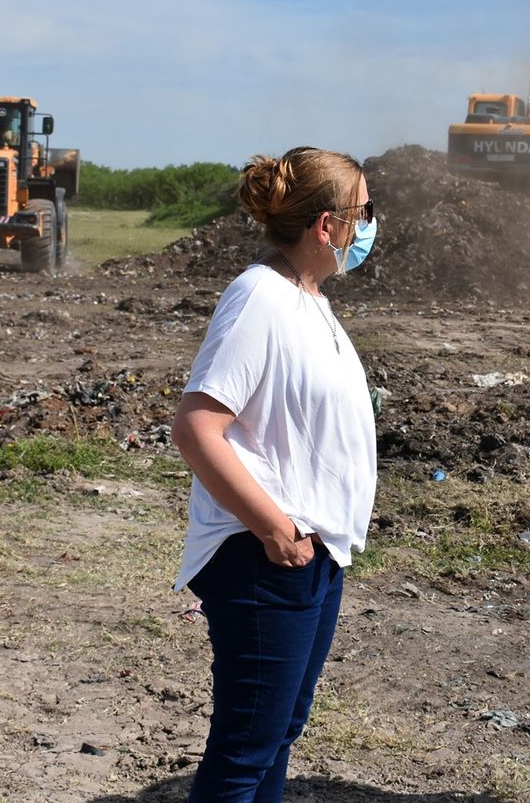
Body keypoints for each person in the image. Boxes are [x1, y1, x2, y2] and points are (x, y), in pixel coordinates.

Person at [171, 146, 379, 802]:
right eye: (365, 211)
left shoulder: (306, 298)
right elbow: (197, 426)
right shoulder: (259, 296)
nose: (371, 225)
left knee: (277, 733)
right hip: (265, 557)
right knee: (243, 751)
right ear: (327, 224)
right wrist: (277, 530)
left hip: (311, 555)